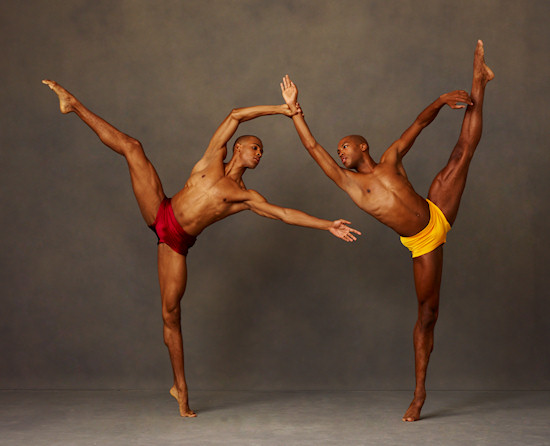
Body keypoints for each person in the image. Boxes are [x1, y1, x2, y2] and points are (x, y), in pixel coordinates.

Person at [43, 80, 361, 417]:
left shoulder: (246, 197)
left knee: (171, 314)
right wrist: (282, 110)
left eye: (262, 151)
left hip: (174, 241)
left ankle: (180, 388)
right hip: (160, 209)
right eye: (255, 147)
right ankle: (74, 104)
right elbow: (236, 115)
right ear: (238, 149)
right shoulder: (212, 159)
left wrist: (328, 224)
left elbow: (283, 214)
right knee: (133, 147)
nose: (259, 154)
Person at [280, 40, 493, 421]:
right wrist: (295, 111)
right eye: (340, 150)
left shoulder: (391, 158)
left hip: (436, 208)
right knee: (428, 315)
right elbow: (313, 148)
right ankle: (419, 393)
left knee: (462, 152)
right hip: (422, 243)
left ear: (364, 146)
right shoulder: (348, 183)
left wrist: (441, 100)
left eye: (346, 146)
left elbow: (419, 125)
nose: (341, 152)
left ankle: (480, 80)